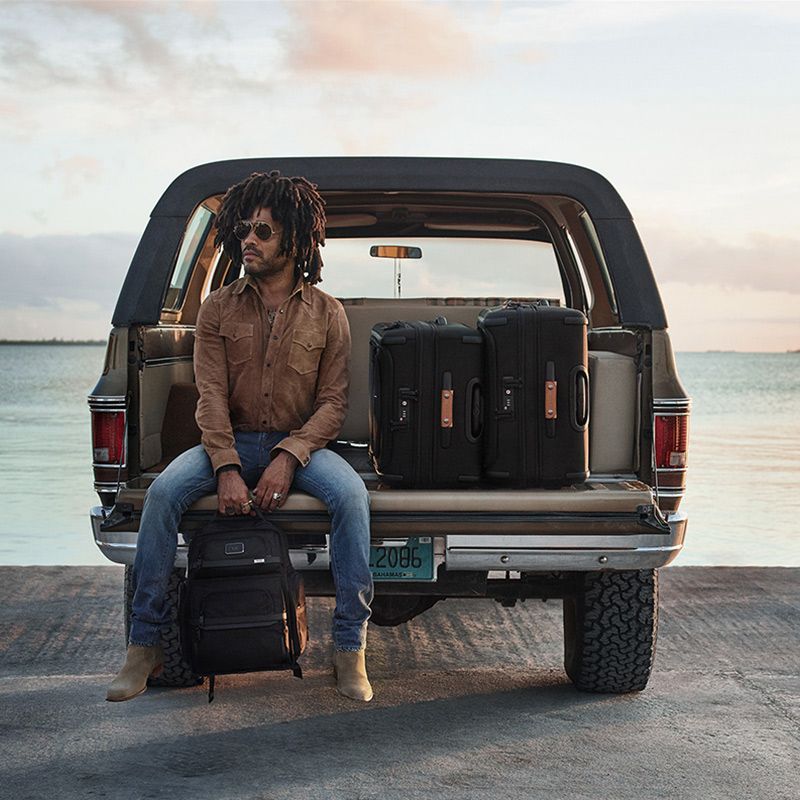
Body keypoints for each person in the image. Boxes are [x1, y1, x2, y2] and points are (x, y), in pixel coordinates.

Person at [106, 170, 374, 703]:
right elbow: (209, 397)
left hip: (300, 445)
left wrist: (288, 458)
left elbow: (333, 405)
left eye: (263, 232)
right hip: (226, 441)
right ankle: (144, 646)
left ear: (295, 241)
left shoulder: (328, 314)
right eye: (244, 230)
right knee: (161, 497)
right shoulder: (217, 308)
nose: (248, 240)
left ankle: (350, 650)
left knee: (351, 498)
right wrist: (226, 466)